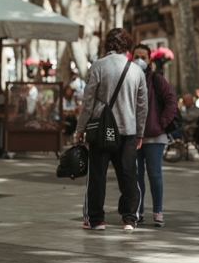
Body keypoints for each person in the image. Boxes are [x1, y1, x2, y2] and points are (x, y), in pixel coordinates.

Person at [75, 28, 148, 232]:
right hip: (127, 131)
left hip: (100, 130)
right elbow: (143, 106)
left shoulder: (98, 66)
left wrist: (80, 128)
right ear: (127, 45)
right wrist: (140, 132)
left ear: (107, 44)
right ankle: (129, 218)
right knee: (129, 176)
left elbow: (88, 101)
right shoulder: (137, 71)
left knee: (97, 176)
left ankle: (96, 219)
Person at [131, 44, 177, 227]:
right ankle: (138, 210)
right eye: (136, 56)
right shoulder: (129, 78)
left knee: (154, 174)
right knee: (136, 176)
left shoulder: (157, 79)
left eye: (143, 56)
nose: (140, 60)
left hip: (154, 136)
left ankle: (158, 211)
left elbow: (171, 102)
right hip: (134, 135)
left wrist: (160, 124)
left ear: (149, 60)